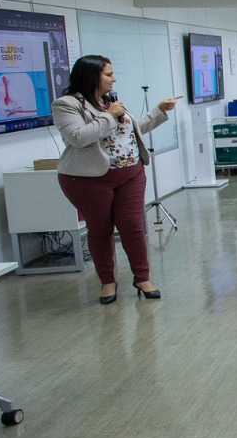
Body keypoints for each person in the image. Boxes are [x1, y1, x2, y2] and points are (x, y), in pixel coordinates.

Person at [53, 54, 181, 304]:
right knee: (100, 229)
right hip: (89, 179)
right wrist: (109, 115)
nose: (114, 79)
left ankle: (142, 278)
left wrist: (158, 111)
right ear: (92, 76)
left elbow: (130, 131)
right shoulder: (66, 104)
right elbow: (79, 138)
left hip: (131, 173)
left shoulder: (109, 101)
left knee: (132, 226)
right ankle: (108, 282)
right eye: (109, 74)